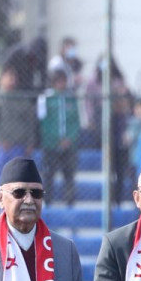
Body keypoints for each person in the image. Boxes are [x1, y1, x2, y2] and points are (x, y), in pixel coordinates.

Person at [0, 66, 38, 181]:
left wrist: (30, 142)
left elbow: (30, 122)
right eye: (8, 77)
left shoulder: (22, 99)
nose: (11, 80)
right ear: (1, 79)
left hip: (20, 146)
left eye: (13, 77)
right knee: (0, 178)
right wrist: (0, 140)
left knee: (19, 178)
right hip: (1, 147)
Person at [37, 69, 80, 206]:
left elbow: (76, 121)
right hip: (51, 144)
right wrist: (56, 139)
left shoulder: (71, 98)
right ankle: (47, 201)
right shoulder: (45, 98)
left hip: (69, 145)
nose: (62, 84)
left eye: (64, 80)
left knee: (69, 174)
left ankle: (70, 201)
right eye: (59, 81)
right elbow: (43, 123)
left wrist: (69, 138)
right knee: (49, 173)